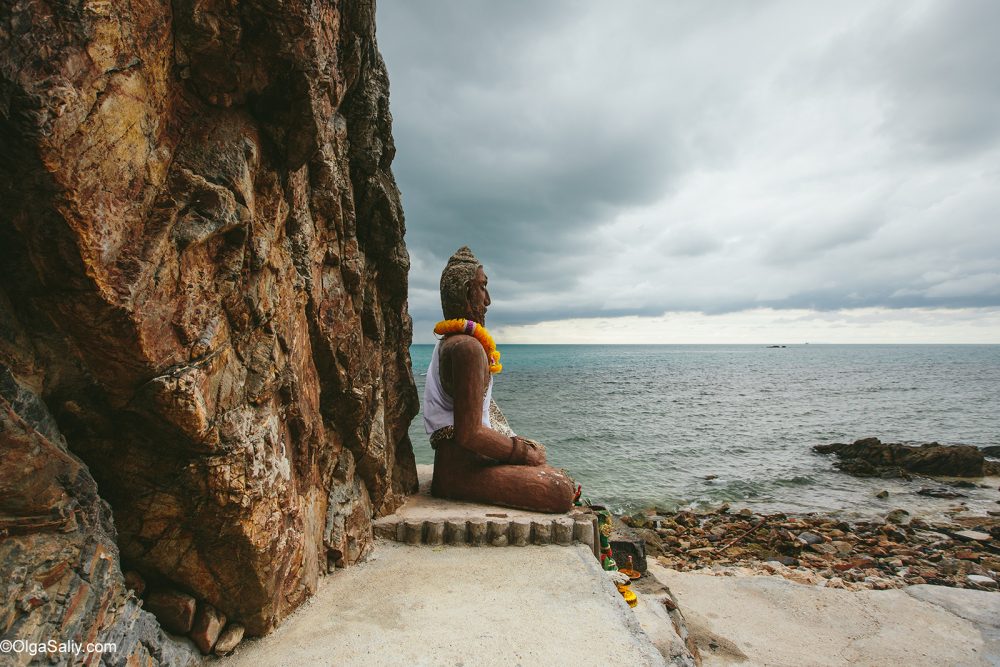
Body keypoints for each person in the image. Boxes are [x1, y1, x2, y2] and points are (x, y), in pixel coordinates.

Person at [423, 247, 576, 513]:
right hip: (460, 471)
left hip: (461, 462)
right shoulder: (466, 348)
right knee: (560, 488)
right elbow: (469, 433)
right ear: (465, 291)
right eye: (482, 288)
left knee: (547, 464)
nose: (488, 300)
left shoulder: (455, 342)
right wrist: (523, 453)